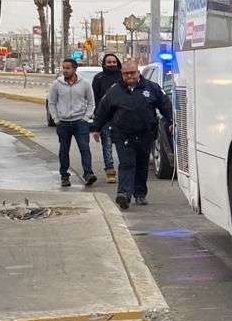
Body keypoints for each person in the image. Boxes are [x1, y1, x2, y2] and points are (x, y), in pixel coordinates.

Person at [92, 59, 170, 210]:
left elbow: (165, 104)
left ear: (138, 72)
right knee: (127, 164)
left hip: (145, 134)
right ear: (122, 74)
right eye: (126, 74)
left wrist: (171, 120)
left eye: (132, 73)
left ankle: (140, 194)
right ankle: (124, 194)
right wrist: (96, 127)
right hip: (123, 135)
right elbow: (103, 110)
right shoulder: (115, 91)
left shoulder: (151, 88)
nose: (129, 76)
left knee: (142, 165)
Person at [47, 57, 98, 188]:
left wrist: (86, 118)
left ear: (74, 69)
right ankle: (64, 176)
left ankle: (88, 174)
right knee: (64, 150)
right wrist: (56, 119)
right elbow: (51, 103)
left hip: (80, 122)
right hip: (63, 123)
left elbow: (91, 103)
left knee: (85, 149)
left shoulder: (85, 83)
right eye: (63, 68)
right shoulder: (56, 84)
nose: (65, 70)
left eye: (68, 68)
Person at [90, 53, 123, 183]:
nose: (112, 64)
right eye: (109, 62)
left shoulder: (122, 77)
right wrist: (96, 122)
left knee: (123, 145)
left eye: (114, 62)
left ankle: (124, 169)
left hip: (121, 117)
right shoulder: (98, 78)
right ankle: (110, 171)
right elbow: (95, 99)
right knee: (107, 145)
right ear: (104, 64)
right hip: (105, 118)